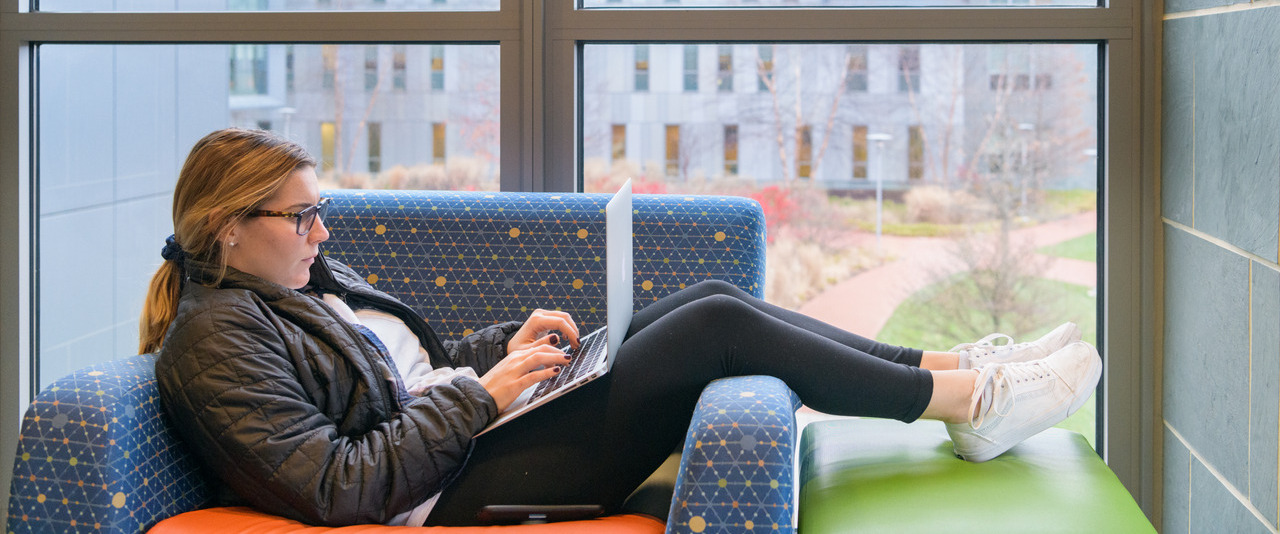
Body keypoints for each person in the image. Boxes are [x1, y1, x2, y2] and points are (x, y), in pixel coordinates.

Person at [142, 128, 1102, 528]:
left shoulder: (294, 279)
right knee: (718, 322)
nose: (321, 229)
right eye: (301, 216)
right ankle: (969, 402)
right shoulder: (214, 342)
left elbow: (407, 365)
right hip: (447, 491)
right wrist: (485, 397)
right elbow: (334, 483)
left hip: (467, 432)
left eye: (318, 210)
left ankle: (951, 366)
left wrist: (504, 348)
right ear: (231, 229)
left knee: (700, 298)